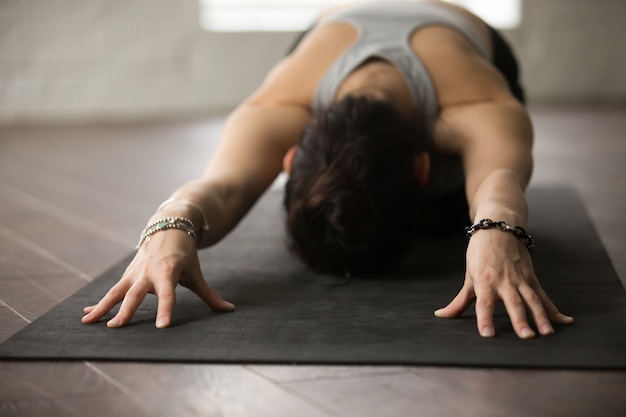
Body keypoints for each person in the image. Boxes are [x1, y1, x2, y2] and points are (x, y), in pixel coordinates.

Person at [82, 0, 574, 338]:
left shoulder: (478, 99)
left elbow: (498, 180)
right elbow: (223, 187)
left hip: (461, 31)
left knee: (450, 214)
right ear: (292, 157)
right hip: (333, 27)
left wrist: (495, 229)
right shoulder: (280, 102)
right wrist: (172, 225)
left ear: (425, 168)